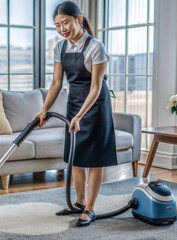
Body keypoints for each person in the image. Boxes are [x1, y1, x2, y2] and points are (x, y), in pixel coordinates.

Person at [34, 1, 118, 227]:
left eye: (66, 22)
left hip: (95, 106)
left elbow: (96, 87)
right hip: (74, 104)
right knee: (77, 157)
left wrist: (80, 115)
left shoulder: (95, 47)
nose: (62, 29)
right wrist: (44, 110)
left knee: (95, 160)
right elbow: (56, 82)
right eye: (57, 25)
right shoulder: (59, 48)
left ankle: (90, 209)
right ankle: (79, 202)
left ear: (78, 20)